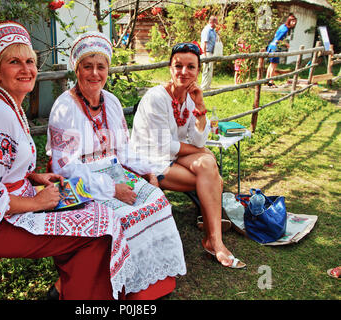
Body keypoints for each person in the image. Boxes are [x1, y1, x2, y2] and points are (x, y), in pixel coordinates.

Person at [0, 21, 121, 300]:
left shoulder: (8, 103)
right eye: (15, 62)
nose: (26, 69)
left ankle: (67, 292)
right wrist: (37, 202)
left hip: (12, 206)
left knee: (96, 213)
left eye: (30, 61)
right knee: (99, 234)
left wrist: (34, 178)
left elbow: (3, 168)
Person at [46, 31, 187, 299]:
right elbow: (65, 168)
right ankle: (116, 289)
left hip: (113, 172)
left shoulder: (110, 101)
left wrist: (147, 170)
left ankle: (152, 284)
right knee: (120, 218)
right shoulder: (64, 107)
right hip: (77, 184)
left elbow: (124, 149)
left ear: (108, 69)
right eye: (88, 66)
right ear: (77, 69)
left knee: (156, 200)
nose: (95, 74)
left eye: (101, 67)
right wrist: (112, 189)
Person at [130, 42, 246, 269]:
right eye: (178, 66)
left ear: (198, 71)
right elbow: (163, 146)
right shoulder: (156, 97)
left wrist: (200, 104)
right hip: (149, 160)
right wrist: (202, 151)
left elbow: (200, 140)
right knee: (211, 177)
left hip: (174, 154)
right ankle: (213, 241)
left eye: (190, 67)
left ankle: (214, 239)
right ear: (170, 69)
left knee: (207, 166)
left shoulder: (192, 97)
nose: (184, 72)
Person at [265, 13, 297, 88]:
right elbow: (278, 40)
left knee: (271, 64)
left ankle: (267, 79)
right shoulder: (285, 30)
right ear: (289, 21)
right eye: (292, 22)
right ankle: (271, 82)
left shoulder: (282, 26)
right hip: (275, 47)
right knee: (274, 65)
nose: (294, 23)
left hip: (272, 46)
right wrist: (286, 44)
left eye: (295, 22)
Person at [200, 15, 218, 91]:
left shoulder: (213, 31)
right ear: (212, 22)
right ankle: (203, 86)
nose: (217, 24)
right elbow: (204, 42)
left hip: (211, 52)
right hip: (207, 52)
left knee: (210, 70)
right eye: (216, 22)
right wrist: (204, 54)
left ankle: (208, 86)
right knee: (206, 69)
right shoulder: (207, 30)